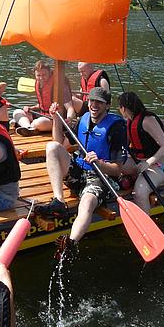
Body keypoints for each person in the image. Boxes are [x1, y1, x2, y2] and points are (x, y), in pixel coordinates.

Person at [34, 87, 127, 257]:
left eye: (99, 102)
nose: (94, 105)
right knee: (52, 147)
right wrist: (56, 118)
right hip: (79, 171)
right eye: (92, 101)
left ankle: (71, 242)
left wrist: (99, 162)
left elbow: (117, 170)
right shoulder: (83, 119)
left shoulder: (116, 128)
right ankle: (59, 201)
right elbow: (57, 141)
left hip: (101, 177)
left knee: (87, 203)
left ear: (108, 106)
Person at [118, 92, 164, 213]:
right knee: (114, 166)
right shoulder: (129, 121)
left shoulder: (148, 121)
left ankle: (146, 227)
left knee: (140, 192)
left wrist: (148, 162)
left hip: (156, 166)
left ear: (123, 108)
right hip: (138, 163)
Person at [13, 60, 74, 137]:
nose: (41, 78)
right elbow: (42, 105)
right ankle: (29, 128)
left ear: (49, 72)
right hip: (42, 114)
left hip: (56, 119)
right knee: (17, 112)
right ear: (35, 75)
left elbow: (70, 107)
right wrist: (31, 108)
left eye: (44, 75)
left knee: (39, 122)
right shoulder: (38, 84)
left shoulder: (59, 84)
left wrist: (69, 119)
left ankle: (29, 126)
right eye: (38, 75)